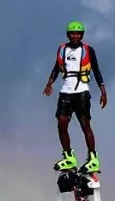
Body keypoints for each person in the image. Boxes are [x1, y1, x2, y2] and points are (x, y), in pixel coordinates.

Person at [44, 20, 107, 174]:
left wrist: (103, 91)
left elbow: (96, 70)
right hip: (66, 90)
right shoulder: (62, 49)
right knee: (61, 122)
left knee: (85, 123)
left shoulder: (88, 50)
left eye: (78, 33)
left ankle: (93, 158)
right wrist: (49, 83)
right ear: (68, 34)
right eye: (72, 33)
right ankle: (68, 156)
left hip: (82, 91)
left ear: (82, 35)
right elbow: (56, 68)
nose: (75, 36)